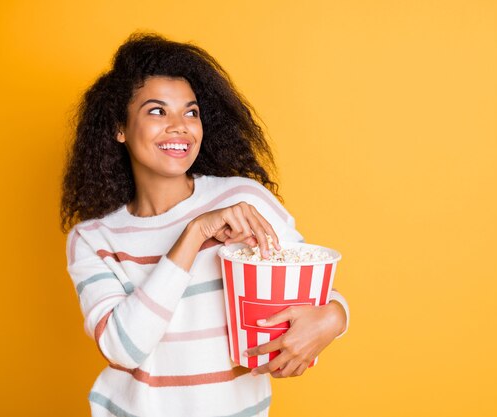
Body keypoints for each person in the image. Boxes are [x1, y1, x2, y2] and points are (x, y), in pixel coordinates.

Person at [61, 32, 349, 417]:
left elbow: (315, 292)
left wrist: (334, 317)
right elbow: (123, 349)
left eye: (191, 112)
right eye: (157, 111)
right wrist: (194, 233)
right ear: (119, 127)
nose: (180, 125)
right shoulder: (94, 238)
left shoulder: (243, 201)